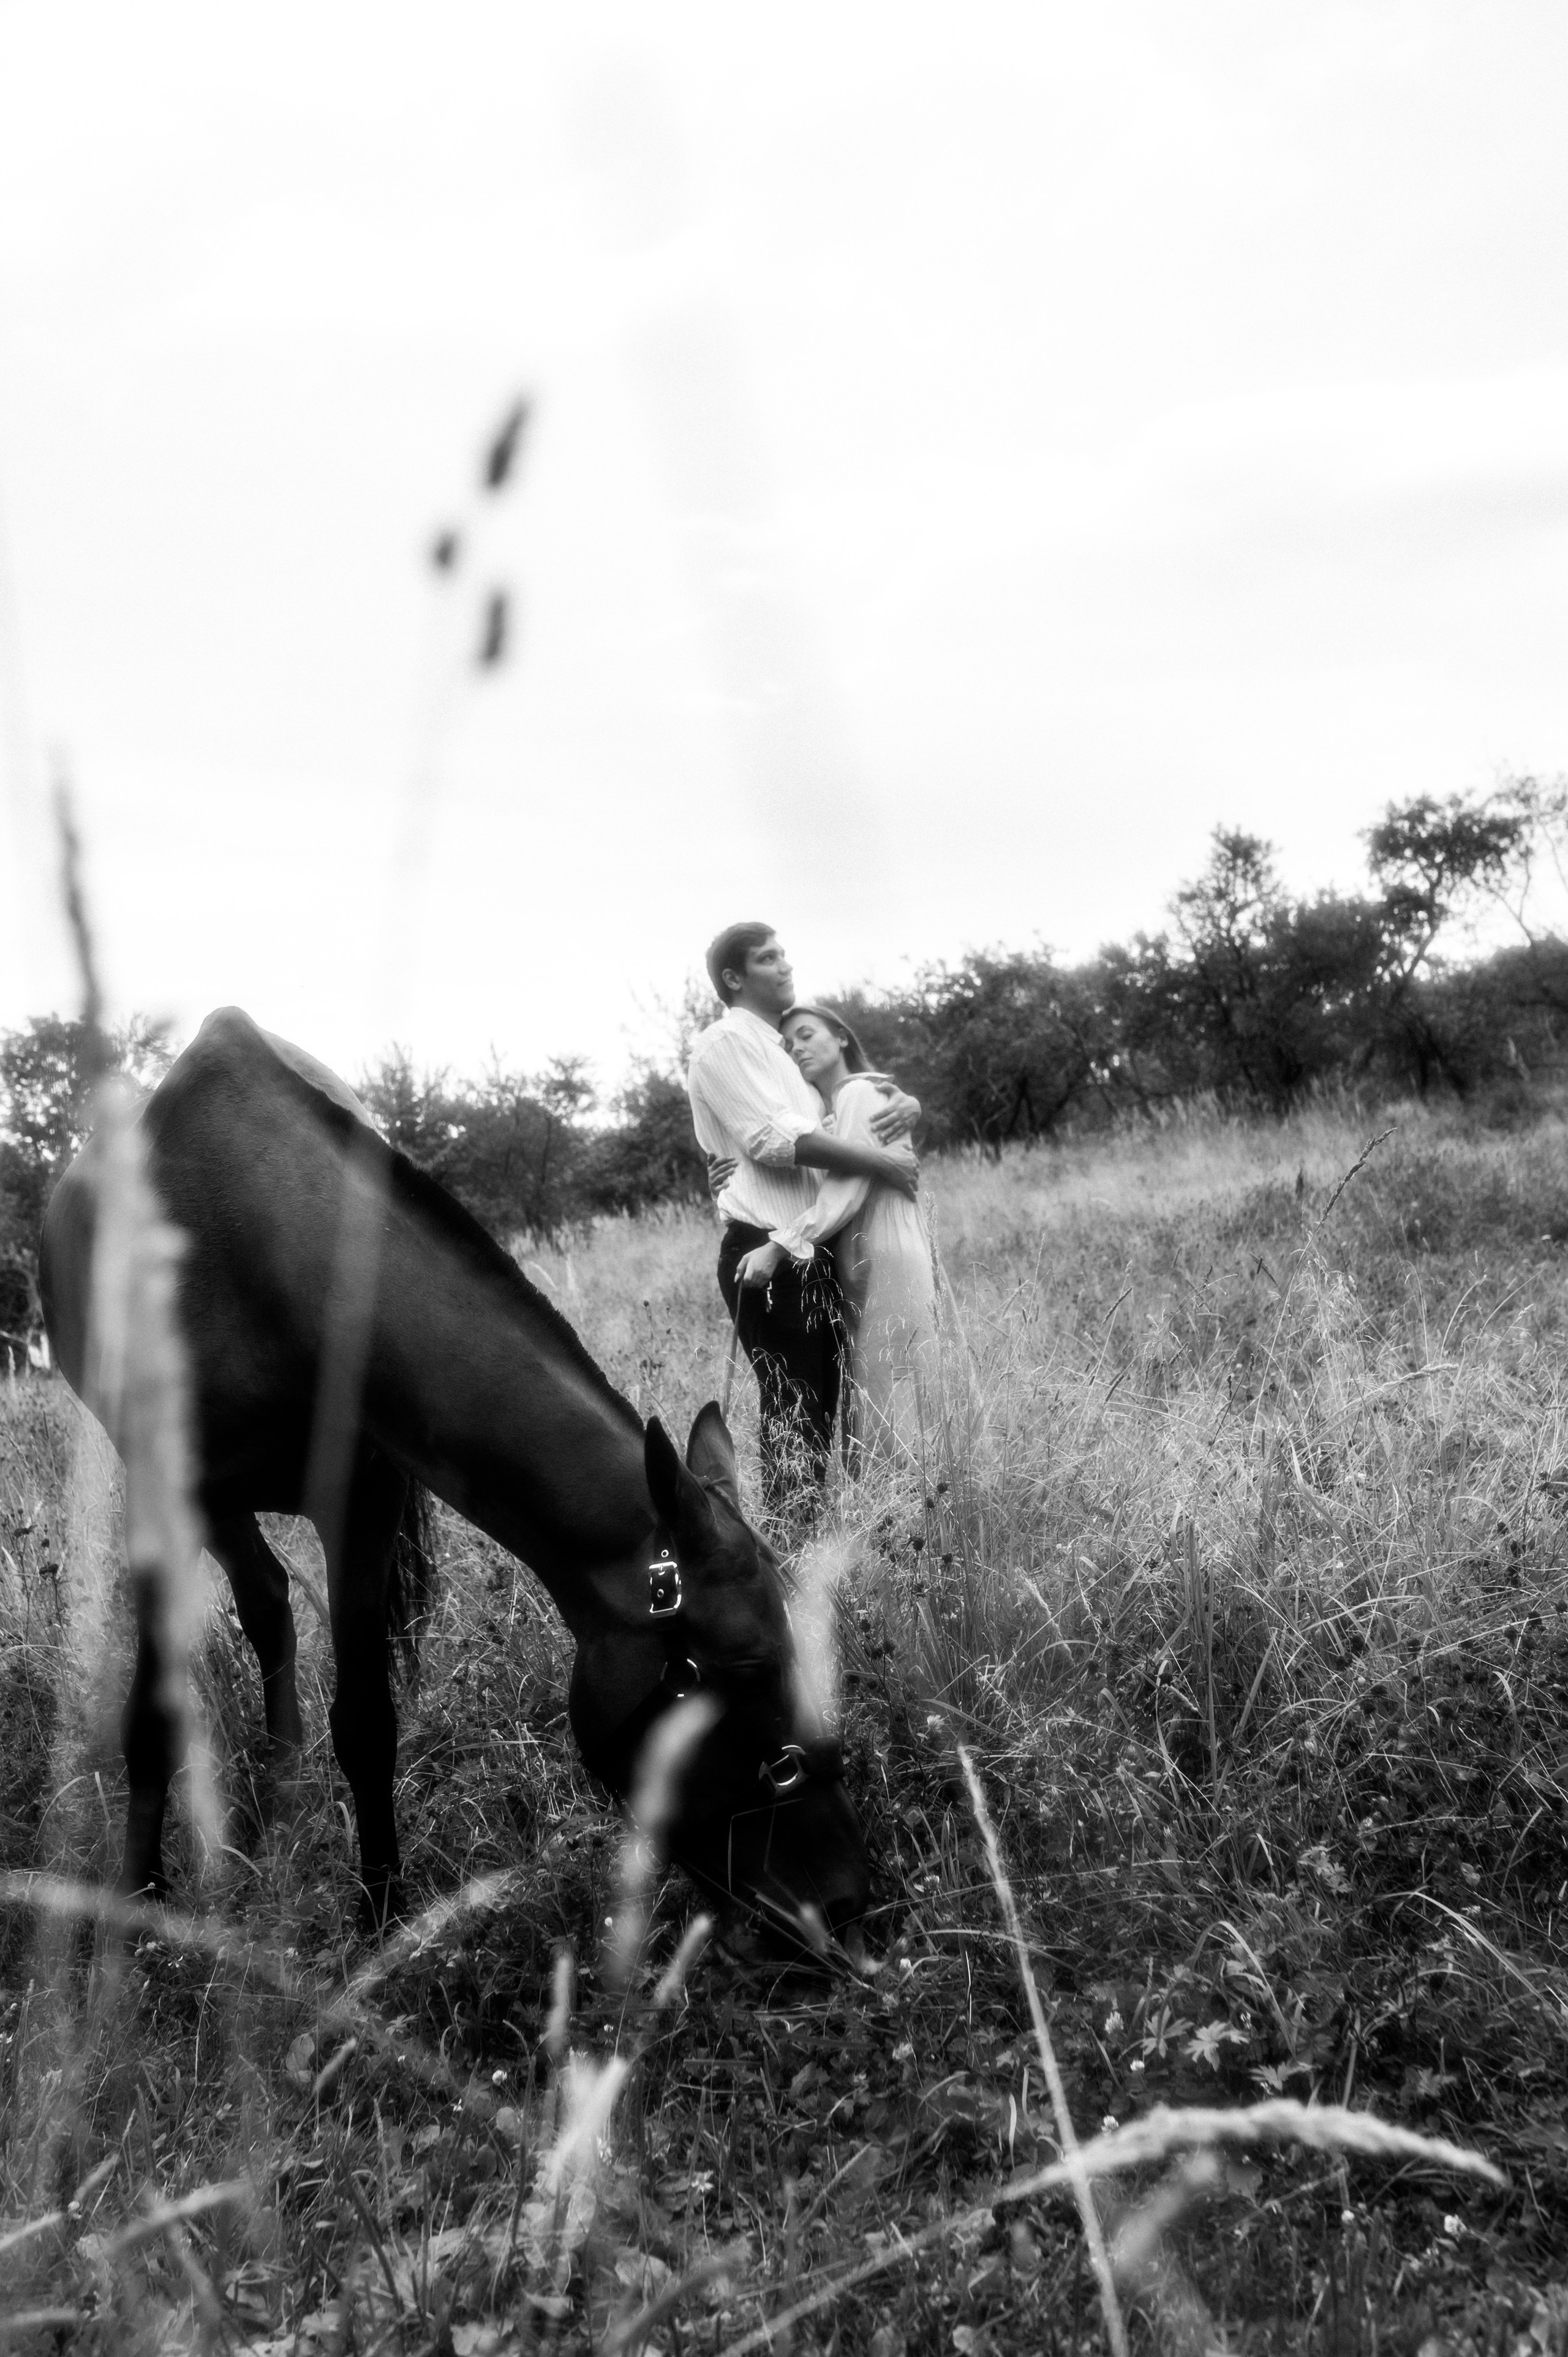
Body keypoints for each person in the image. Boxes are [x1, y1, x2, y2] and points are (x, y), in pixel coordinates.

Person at [686, 922, 921, 1517]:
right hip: (765, 1249)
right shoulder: (724, 1042)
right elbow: (771, 1139)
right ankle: (787, 1564)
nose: (785, 964)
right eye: (768, 958)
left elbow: (846, 1119)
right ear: (735, 978)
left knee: (825, 1414)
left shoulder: (783, 1055)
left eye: (785, 952)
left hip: (812, 1246)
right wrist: (880, 1162)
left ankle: (816, 1554)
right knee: (795, 1414)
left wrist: (907, 1105)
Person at [735, 1005, 937, 1461]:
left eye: (807, 1035)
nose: (798, 1048)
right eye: (789, 1045)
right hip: (865, 1257)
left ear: (842, 1037)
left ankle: (912, 1512)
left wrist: (778, 1244)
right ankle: (904, 1516)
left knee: (895, 1390)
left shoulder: (861, 1093)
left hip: (887, 1253)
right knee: (885, 1389)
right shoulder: (830, 1113)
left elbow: (845, 1192)